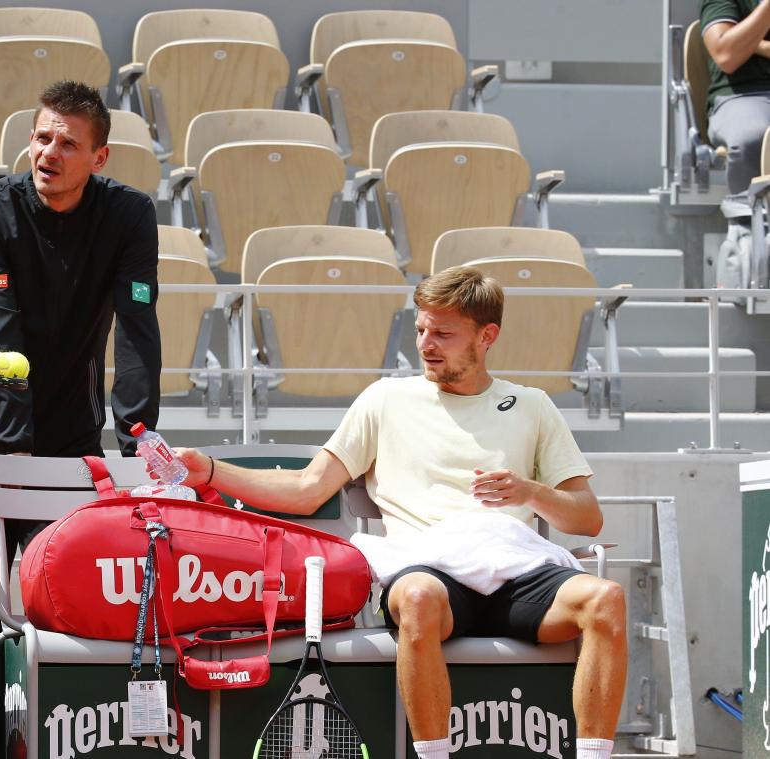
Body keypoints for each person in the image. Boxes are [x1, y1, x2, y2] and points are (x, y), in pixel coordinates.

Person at [175, 267, 627, 759]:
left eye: (444, 334)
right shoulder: (384, 399)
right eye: (421, 330)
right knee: (414, 597)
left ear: (487, 335)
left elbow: (586, 519)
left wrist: (530, 491)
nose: (427, 344)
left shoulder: (533, 406)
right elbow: (308, 488)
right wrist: (213, 471)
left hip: (513, 572)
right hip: (432, 575)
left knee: (606, 599)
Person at [0, 80, 161, 637]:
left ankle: (35, 727)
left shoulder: (130, 216)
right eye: (40, 139)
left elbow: (137, 328)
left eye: (67, 145)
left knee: (59, 607)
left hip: (69, 438)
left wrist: (139, 440)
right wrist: (10, 453)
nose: (48, 154)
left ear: (99, 157)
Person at [702, 0, 770, 285]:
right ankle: (752, 254)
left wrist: (755, 44)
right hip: (743, 96)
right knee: (753, 138)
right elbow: (727, 54)